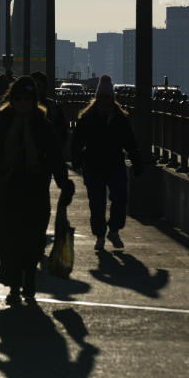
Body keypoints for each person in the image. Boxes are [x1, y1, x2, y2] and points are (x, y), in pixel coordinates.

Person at [0, 76, 67, 306]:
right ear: (11, 99)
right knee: (10, 237)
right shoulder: (4, 122)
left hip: (35, 188)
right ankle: (14, 285)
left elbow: (54, 156)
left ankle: (29, 277)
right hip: (9, 189)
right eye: (18, 98)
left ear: (34, 100)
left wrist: (63, 182)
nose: (22, 102)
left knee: (33, 237)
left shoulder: (43, 126)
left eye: (27, 98)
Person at [71, 74, 142, 252]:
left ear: (112, 98)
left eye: (107, 97)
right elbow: (78, 141)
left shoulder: (120, 119)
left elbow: (130, 142)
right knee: (97, 202)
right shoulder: (88, 118)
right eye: (102, 97)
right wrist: (76, 158)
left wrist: (136, 160)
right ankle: (101, 235)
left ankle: (113, 230)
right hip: (94, 164)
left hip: (114, 164)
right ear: (98, 97)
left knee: (120, 198)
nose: (104, 101)